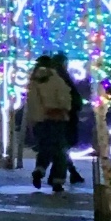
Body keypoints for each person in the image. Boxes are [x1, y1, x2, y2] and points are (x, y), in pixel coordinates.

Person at [27, 55, 73, 192]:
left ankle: (39, 170)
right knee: (59, 152)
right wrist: (65, 108)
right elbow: (64, 99)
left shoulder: (33, 82)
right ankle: (57, 181)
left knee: (44, 148)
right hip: (56, 119)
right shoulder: (56, 80)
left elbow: (31, 103)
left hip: (39, 121)